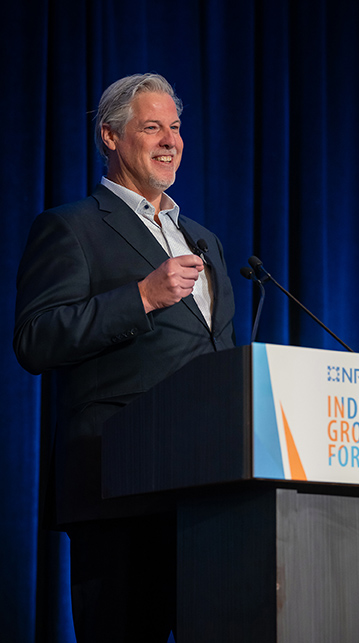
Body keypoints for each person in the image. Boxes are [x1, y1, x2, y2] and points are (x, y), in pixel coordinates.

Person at [13, 73, 236, 642]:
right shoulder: (72, 228)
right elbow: (36, 339)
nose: (170, 140)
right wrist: (140, 297)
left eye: (177, 128)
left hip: (209, 492)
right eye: (153, 127)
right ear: (110, 137)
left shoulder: (203, 240)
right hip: (120, 486)